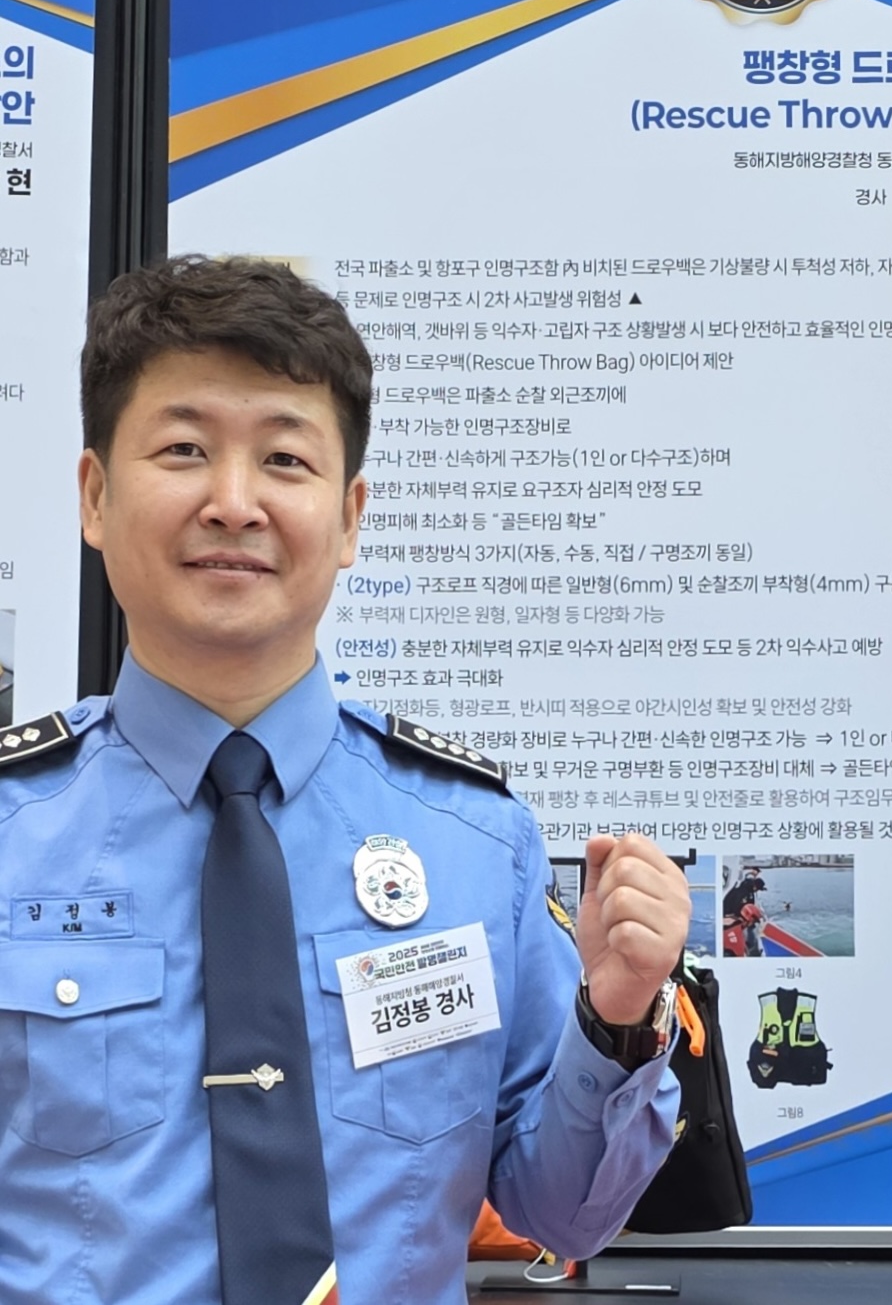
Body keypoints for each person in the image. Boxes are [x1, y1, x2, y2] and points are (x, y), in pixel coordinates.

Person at [0, 256, 690, 1305]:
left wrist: (618, 1014)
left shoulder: (472, 839)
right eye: (184, 449)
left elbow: (564, 1215)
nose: (233, 503)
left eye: (284, 458)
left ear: (350, 516)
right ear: (95, 496)